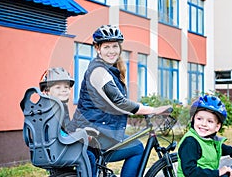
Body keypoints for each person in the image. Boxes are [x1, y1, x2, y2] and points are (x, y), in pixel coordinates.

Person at [67, 25, 172, 177]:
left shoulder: (107, 69)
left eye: (115, 46)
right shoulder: (98, 71)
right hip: (94, 132)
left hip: (97, 129)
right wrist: (152, 110)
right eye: (107, 46)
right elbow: (119, 102)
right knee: (136, 148)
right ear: (98, 48)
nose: (111, 51)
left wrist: (141, 107)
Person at [39, 67, 96, 177]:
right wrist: (79, 135)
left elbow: (65, 129)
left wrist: (77, 131)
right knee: (90, 156)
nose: (64, 90)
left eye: (66, 87)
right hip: (59, 148)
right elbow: (60, 134)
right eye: (58, 87)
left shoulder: (42, 108)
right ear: (46, 91)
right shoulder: (56, 108)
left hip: (48, 149)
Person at [177, 95, 232, 177]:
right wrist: (219, 172)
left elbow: (217, 147)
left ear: (217, 126)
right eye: (199, 119)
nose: (203, 124)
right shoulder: (190, 142)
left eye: (210, 121)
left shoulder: (207, 140)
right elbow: (191, 172)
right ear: (192, 119)